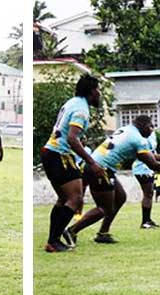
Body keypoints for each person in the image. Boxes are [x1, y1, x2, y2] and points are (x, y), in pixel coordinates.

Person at [65, 116, 160, 244]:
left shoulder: (126, 130)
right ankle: (72, 230)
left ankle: (103, 233)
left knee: (120, 197)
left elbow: (145, 155)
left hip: (97, 166)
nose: (152, 130)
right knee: (104, 208)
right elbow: (152, 164)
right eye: (150, 126)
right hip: (100, 169)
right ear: (143, 126)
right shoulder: (138, 139)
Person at [41, 75, 102, 252]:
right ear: (92, 92)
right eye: (98, 90)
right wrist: (92, 162)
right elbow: (72, 138)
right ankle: (53, 240)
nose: (99, 94)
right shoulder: (81, 110)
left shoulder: (72, 102)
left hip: (50, 152)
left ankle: (53, 240)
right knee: (75, 199)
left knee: (63, 198)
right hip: (59, 155)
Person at [132, 130, 160, 228]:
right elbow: (147, 155)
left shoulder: (152, 135)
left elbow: (153, 153)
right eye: (149, 125)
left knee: (149, 193)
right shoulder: (141, 137)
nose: (151, 127)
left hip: (148, 168)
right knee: (148, 193)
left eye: (152, 125)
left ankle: (148, 220)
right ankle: (145, 221)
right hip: (141, 168)